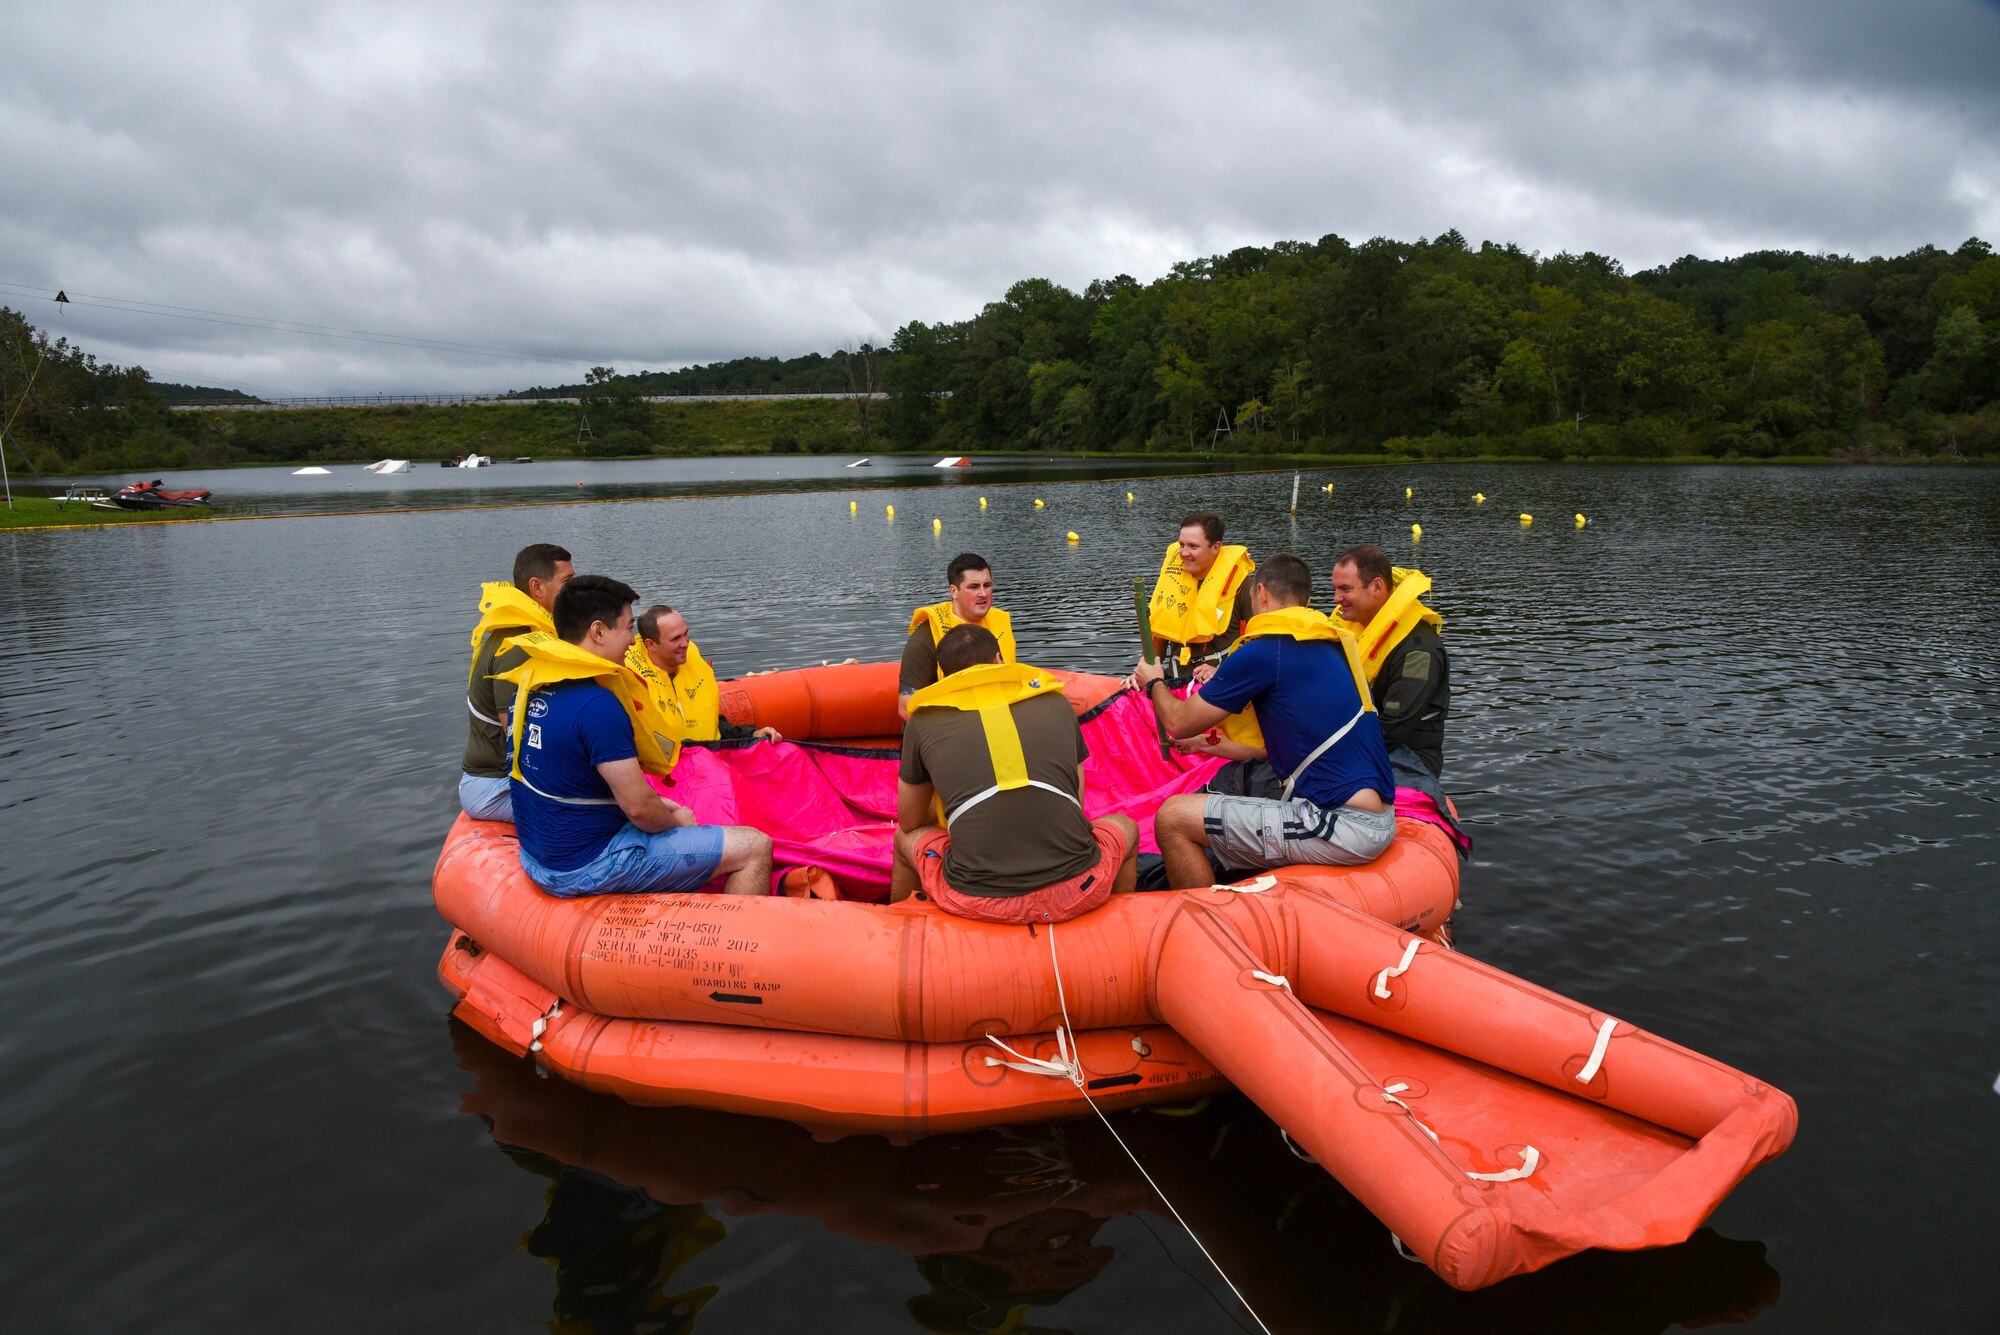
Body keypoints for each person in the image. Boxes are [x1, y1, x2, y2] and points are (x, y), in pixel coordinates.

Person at [501, 574, 774, 897]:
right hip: (584, 866)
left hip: (537, 854)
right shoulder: (597, 704)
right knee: (756, 846)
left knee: (673, 808)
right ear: (598, 631)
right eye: (628, 628)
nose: (632, 641)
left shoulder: (531, 685)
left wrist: (667, 809)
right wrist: (682, 827)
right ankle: (731, 945)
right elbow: (639, 810)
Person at [1134, 554, 1395, 888]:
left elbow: (1178, 722)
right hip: (1378, 815)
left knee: (1172, 818)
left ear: (1261, 593)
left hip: (1344, 827)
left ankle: (1204, 927)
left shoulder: (1265, 651)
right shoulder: (1328, 643)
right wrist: (1206, 745)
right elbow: (1275, 751)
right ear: (1307, 602)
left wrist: (1154, 680)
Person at [893, 624, 1138, 923]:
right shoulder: (1057, 702)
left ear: (946, 678)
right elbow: (1076, 800)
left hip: (976, 898)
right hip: (1078, 887)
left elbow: (909, 819)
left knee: (904, 838)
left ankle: (902, 933)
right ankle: (1119, 927)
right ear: (999, 660)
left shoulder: (922, 721)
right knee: (1126, 827)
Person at [459, 543, 573, 822]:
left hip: (503, 781)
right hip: (493, 786)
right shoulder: (518, 646)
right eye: (567, 582)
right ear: (537, 587)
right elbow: (518, 739)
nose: (574, 591)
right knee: (603, 811)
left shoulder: (535, 635)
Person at [1329, 544, 1449, 780]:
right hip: (1359, 740)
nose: (1336, 598)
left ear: (1376, 587)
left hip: (1409, 755)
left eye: (1345, 589)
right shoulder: (1355, 629)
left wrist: (1331, 753)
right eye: (1335, 589)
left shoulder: (1419, 648)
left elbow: (1396, 727)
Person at [626, 604, 781, 743]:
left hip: (707, 758)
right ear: (651, 644)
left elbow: (714, 725)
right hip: (666, 768)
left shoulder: (694, 667)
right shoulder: (631, 683)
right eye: (675, 639)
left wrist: (753, 734)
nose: (685, 643)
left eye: (685, 634)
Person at [898, 553, 1015, 719]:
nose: (983, 593)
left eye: (987, 585)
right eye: (973, 587)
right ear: (954, 591)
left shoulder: (999, 623)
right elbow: (906, 707)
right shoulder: (924, 639)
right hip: (946, 727)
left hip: (996, 715)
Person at [1147, 512, 1255, 683]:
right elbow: (1159, 633)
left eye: (1193, 546)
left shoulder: (1244, 587)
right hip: (1174, 678)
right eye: (1181, 545)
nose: (1184, 553)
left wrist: (1222, 671)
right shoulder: (1172, 580)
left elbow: (1260, 643)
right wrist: (1147, 674)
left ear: (1215, 548)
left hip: (1217, 682)